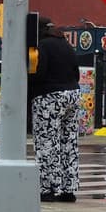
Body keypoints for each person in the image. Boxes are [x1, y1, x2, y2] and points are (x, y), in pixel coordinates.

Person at [28, 17, 82, 202]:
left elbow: (39, 73)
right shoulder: (66, 45)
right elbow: (77, 73)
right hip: (73, 94)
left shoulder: (42, 46)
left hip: (49, 96)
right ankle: (69, 189)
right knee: (69, 142)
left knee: (46, 142)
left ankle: (48, 188)